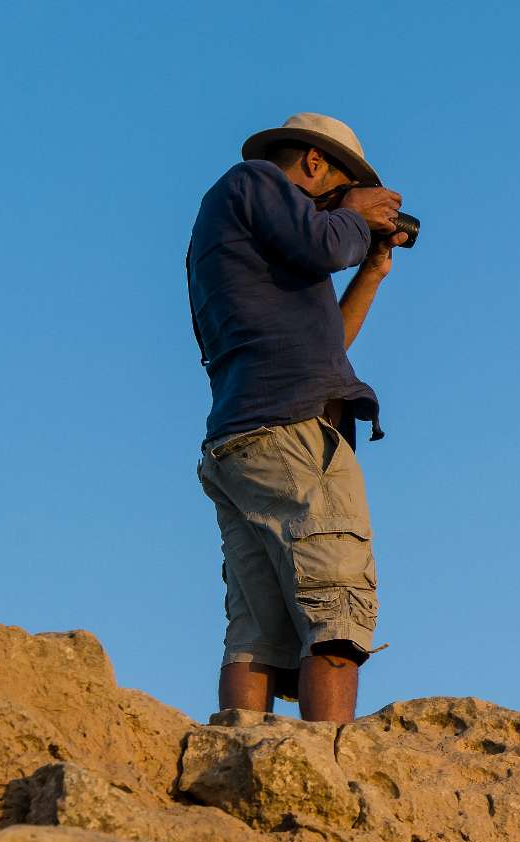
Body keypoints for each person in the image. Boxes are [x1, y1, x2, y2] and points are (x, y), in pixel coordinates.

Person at [188, 113, 406, 723]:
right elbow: (326, 243)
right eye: (338, 188)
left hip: (243, 437)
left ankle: (236, 766)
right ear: (313, 163)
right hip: (294, 437)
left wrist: (373, 267)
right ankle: (330, 779)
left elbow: (329, 346)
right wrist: (354, 218)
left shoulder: (248, 225)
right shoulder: (255, 181)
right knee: (336, 611)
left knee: (259, 632)